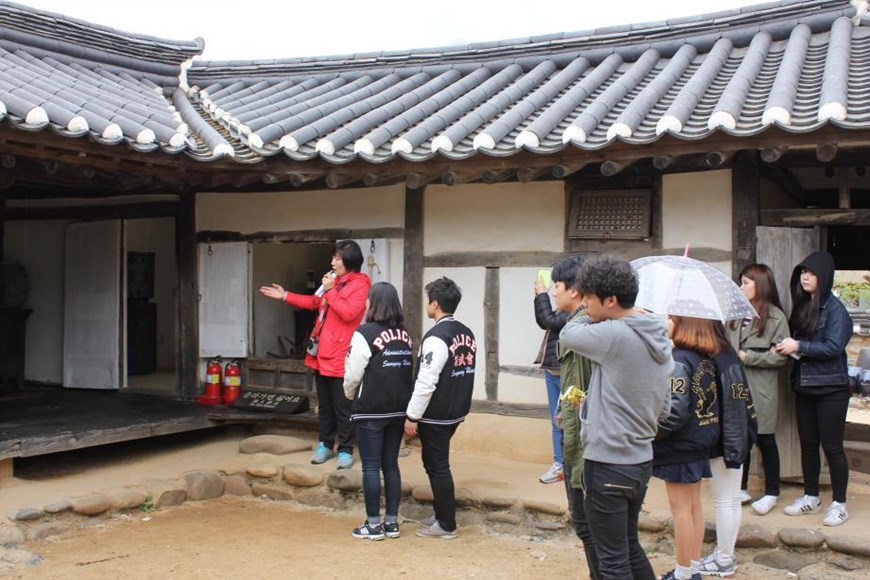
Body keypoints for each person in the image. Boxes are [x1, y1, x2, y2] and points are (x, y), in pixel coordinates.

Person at [559, 256, 674, 580]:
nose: (584, 303)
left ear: (610, 300)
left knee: (612, 563)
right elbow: (664, 409)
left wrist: (590, 314)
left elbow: (568, 333)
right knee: (629, 547)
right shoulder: (659, 337)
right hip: (639, 462)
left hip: (607, 461)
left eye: (588, 297)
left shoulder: (615, 334)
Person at [260, 240, 370, 469]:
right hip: (321, 353)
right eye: (333, 258)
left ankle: (346, 450)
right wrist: (285, 295)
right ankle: (325, 444)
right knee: (325, 406)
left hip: (341, 355)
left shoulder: (360, 284)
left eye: (337, 258)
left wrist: (331, 290)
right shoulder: (333, 281)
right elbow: (314, 302)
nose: (332, 262)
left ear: (350, 261)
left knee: (343, 407)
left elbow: (349, 313)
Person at [774, 250, 853, 526]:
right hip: (805, 386)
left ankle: (839, 504)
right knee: (808, 445)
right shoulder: (804, 306)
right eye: (802, 273)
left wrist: (799, 346)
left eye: (811, 273)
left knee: (832, 447)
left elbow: (833, 347)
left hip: (832, 388)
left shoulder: (836, 310)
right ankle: (811, 497)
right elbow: (803, 347)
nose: (805, 278)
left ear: (825, 276)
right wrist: (788, 349)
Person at [404, 277, 476, 539]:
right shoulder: (466, 332)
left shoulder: (436, 337)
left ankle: (446, 524)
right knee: (436, 463)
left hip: (436, 413)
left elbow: (426, 380)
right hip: (456, 410)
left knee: (437, 466)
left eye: (428, 301)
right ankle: (441, 514)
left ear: (435, 304)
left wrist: (412, 415)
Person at [654, 316, 724, 580]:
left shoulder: (679, 360)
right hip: (700, 439)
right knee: (694, 507)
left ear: (685, 324)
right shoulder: (704, 358)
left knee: (681, 510)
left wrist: (649, 433)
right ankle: (692, 568)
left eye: (671, 318)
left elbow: (675, 412)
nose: (666, 321)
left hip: (680, 445)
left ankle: (683, 573)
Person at [344, 282, 414, 541]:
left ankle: (373, 525)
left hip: (371, 410)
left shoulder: (364, 333)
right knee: (391, 465)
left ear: (373, 303)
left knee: (371, 467)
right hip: (398, 409)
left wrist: (349, 394)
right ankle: (392, 523)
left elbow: (353, 373)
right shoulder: (405, 335)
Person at [550, 255, 600, 578]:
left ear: (574, 290)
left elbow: (582, 390)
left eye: (557, 286)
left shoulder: (580, 330)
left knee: (588, 526)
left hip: (584, 444)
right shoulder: (582, 325)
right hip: (579, 438)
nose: (554, 292)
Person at [727, 264, 790, 516]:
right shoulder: (735, 314)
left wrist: (749, 357)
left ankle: (772, 491)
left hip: (761, 387)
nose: (741, 287)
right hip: (736, 384)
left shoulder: (776, 317)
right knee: (740, 439)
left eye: (746, 282)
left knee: (765, 439)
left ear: (760, 285)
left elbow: (781, 356)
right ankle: (740, 488)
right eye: (741, 282)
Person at [699, 333, 756, 577]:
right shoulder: (729, 354)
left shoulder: (713, 359)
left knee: (724, 501)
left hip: (725, 438)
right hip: (738, 434)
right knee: (731, 499)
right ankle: (726, 555)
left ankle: (723, 559)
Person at [533, 267, 571, 484]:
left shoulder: (573, 312)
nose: (554, 292)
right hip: (552, 370)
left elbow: (551, 322)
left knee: (566, 420)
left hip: (565, 372)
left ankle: (566, 464)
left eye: (557, 287)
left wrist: (542, 296)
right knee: (556, 421)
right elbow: (543, 321)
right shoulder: (560, 309)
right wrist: (537, 298)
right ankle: (559, 464)